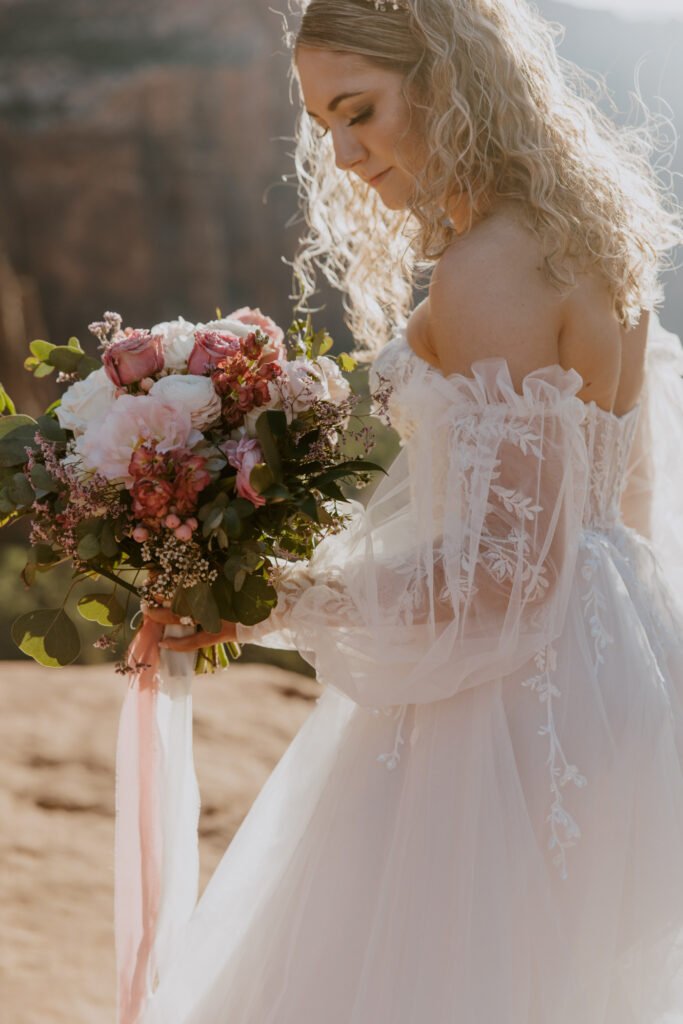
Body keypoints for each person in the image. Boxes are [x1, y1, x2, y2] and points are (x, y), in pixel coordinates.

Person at [142, 1, 683, 1020]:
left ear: (445, 77)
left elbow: (501, 577)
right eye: (322, 126)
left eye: (360, 110)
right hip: (617, 672)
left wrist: (270, 598)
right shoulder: (592, 229)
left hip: (501, 720)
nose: (343, 155)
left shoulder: (488, 269)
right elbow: (630, 500)